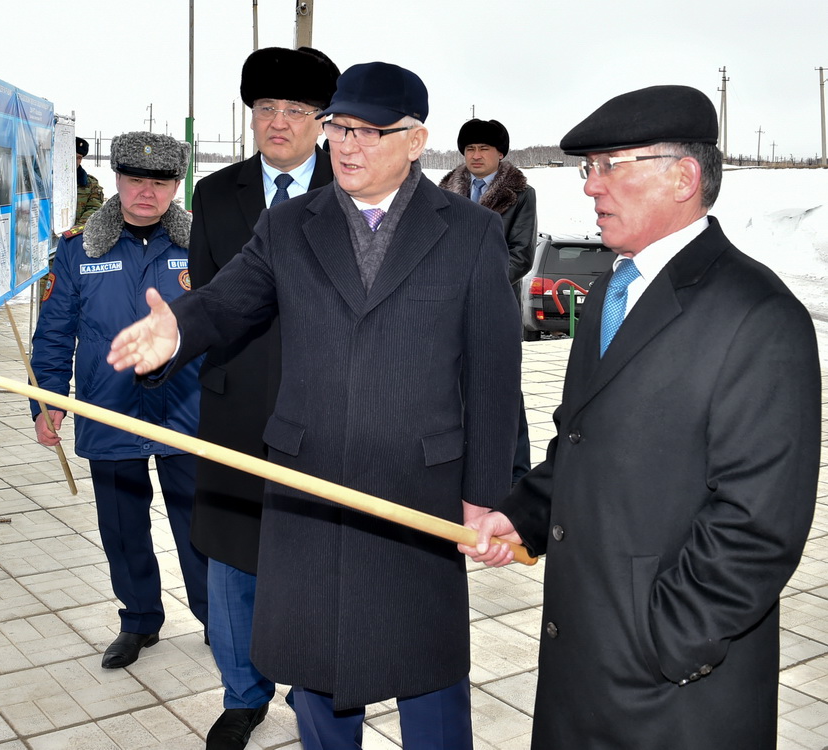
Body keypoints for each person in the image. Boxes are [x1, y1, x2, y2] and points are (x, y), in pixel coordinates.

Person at [108, 62, 520, 750]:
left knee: (428, 674)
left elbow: (494, 375)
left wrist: (486, 495)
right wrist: (177, 328)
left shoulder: (471, 233)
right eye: (337, 128)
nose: (346, 146)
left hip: (416, 489)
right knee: (319, 672)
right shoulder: (292, 223)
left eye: (368, 131)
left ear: (416, 140)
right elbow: (229, 298)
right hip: (309, 482)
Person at [465, 85, 821, 748]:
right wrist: (519, 513)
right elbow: (580, 439)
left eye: (609, 166)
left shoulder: (759, 316)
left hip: (673, 696)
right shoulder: (608, 290)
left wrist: (664, 642)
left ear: (683, 176)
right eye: (587, 169)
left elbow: (757, 526)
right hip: (578, 672)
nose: (590, 189)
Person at [189, 46, 338, 750]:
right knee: (233, 557)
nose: (278, 123)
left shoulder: (357, 188)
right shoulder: (216, 195)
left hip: (328, 406)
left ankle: (317, 686)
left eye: (296, 111)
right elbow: (212, 302)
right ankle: (242, 696)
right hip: (236, 401)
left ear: (324, 121)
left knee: (318, 552)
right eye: (265, 109)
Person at [30, 131, 208, 671]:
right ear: (117, 180)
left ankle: (215, 618)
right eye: (135, 179)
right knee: (122, 525)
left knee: (199, 523)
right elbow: (55, 332)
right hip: (109, 407)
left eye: (159, 182)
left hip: (187, 409)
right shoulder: (78, 247)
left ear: (177, 185)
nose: (146, 193)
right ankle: (138, 620)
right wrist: (47, 401)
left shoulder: (202, 244)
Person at [439, 118, 536, 484]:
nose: (476, 156)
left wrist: (479, 285)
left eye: (484, 149)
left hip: (497, 307)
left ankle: (516, 474)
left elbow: (521, 254)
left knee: (504, 389)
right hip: (451, 308)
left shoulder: (521, 193)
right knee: (456, 387)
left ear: (500, 153)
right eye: (469, 149)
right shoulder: (445, 190)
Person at [75, 135, 105, 225]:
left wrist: (75, 231)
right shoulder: (48, 181)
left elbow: (94, 208)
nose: (75, 161)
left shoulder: (91, 184)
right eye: (73, 156)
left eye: (79, 158)